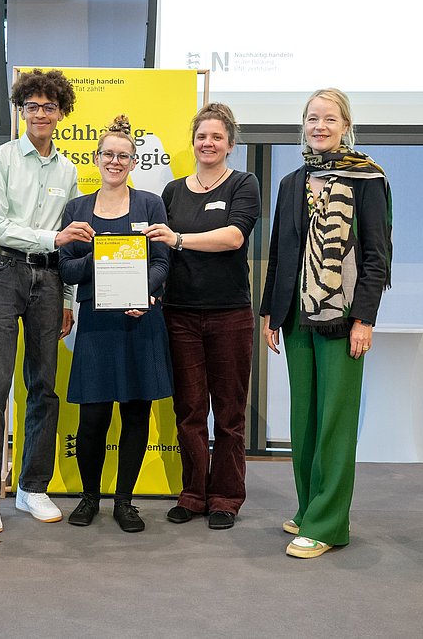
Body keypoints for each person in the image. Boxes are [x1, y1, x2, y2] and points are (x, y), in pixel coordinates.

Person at [259, 88, 392, 558]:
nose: (320, 126)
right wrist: (270, 313)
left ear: (346, 125)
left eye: (329, 119)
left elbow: (377, 256)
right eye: (312, 118)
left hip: (342, 318)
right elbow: (280, 253)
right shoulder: (293, 182)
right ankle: (310, 506)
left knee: (335, 420)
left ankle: (329, 523)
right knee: (305, 418)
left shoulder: (367, 178)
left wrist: (365, 319)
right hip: (295, 317)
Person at [0, 69, 94, 533]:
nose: (40, 114)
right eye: (31, 106)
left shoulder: (68, 171)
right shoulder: (0, 159)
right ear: (20, 110)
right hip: (2, 272)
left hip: (50, 279)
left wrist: (66, 297)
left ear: (62, 113)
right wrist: (51, 237)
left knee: (44, 385)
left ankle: (31, 488)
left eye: (49, 106)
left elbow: (73, 241)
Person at [143, 103, 260, 530]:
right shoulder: (172, 192)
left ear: (230, 143)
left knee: (229, 413)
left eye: (216, 136)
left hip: (230, 314)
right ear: (193, 141)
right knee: (189, 410)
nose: (207, 143)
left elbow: (233, 237)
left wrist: (178, 238)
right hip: (180, 315)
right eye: (201, 136)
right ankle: (193, 494)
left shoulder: (244, 184)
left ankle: (226, 497)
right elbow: (159, 253)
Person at [58, 115, 172, 533]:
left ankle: (125, 501)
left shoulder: (150, 205)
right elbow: (66, 270)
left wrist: (144, 294)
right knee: (92, 420)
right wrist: (98, 257)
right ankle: (90, 498)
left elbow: (162, 263)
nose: (115, 161)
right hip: (96, 328)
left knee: (136, 415)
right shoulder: (77, 209)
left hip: (140, 323)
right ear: (97, 157)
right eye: (108, 154)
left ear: (133, 162)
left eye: (123, 156)